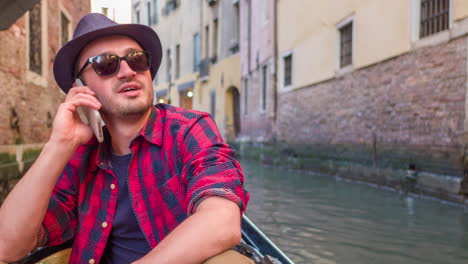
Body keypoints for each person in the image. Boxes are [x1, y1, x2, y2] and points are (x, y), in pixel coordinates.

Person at [0, 13, 250, 264]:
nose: (127, 71)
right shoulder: (80, 153)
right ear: (81, 87)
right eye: (106, 64)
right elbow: (7, 247)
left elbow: (222, 221)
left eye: (137, 59)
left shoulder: (188, 129)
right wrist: (58, 144)